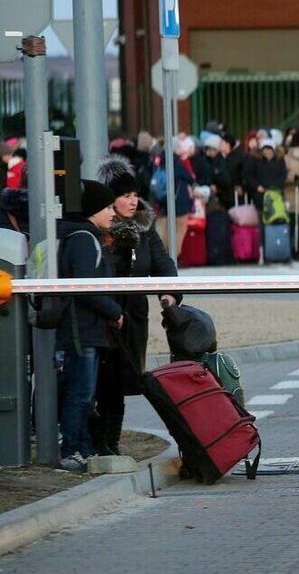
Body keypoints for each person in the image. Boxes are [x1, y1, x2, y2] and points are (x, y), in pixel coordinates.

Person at [93, 156, 179, 456]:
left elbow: (163, 264)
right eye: (124, 196)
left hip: (133, 317)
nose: (132, 201)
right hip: (103, 316)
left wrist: (169, 294)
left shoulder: (144, 229)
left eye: (134, 195)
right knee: (100, 382)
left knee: (121, 383)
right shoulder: (99, 229)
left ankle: (111, 444)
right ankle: (96, 443)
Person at [55, 180, 124, 472]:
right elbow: (87, 287)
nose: (113, 212)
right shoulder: (84, 240)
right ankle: (70, 450)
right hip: (80, 330)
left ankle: (83, 448)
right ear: (94, 209)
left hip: (88, 330)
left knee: (85, 393)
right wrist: (114, 311)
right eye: (108, 207)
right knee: (80, 393)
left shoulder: (90, 237)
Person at [245, 141, 287, 210]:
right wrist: (257, 186)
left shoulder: (279, 160)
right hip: (260, 194)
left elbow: (283, 175)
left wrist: (276, 187)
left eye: (269, 149)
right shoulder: (255, 160)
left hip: (276, 193)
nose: (268, 151)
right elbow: (248, 175)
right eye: (265, 149)